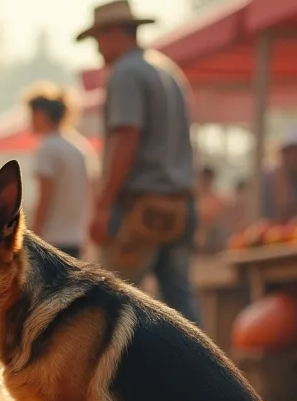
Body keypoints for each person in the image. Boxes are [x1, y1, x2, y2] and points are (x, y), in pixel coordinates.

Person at [78, 0, 200, 325]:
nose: (98, 49)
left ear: (115, 32)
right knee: (180, 302)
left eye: (98, 39)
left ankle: (116, 375)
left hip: (140, 209)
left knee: (110, 303)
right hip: (178, 204)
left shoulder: (126, 73)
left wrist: (103, 206)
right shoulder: (166, 70)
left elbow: (125, 138)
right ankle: (199, 372)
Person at [25, 81, 94, 259]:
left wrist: (33, 237)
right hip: (76, 238)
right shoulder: (79, 146)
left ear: (41, 115)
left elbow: (44, 198)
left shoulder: (48, 147)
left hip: (51, 240)